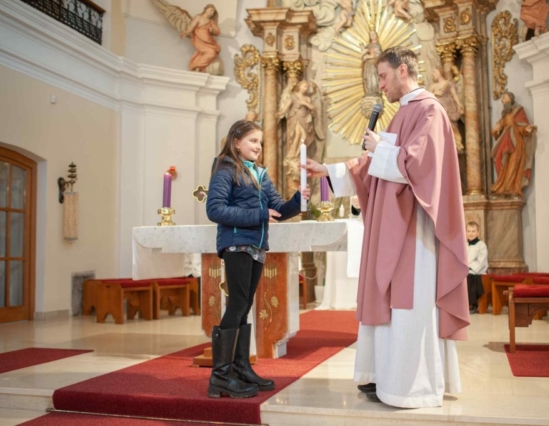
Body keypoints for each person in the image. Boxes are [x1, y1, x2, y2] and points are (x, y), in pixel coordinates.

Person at [303, 46, 469, 408]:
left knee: (410, 306)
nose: (379, 85)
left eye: (383, 76)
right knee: (389, 303)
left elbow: (420, 167)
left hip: (416, 230)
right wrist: (329, 171)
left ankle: (412, 386)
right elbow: (372, 164)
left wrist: (380, 150)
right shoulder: (403, 113)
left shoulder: (430, 111)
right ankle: (384, 376)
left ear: (403, 70)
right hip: (394, 227)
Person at [206, 120, 310, 398]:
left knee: (244, 304)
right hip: (236, 244)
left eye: (260, 142)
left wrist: (298, 200)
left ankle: (240, 368)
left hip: (256, 246)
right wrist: (259, 215)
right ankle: (220, 377)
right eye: (253, 141)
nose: (258, 146)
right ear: (236, 142)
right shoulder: (225, 170)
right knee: (238, 304)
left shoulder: (259, 173)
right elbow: (215, 210)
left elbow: (277, 209)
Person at [490, 92, 536, 196]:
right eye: (502, 99)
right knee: (499, 160)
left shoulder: (518, 111)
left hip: (516, 142)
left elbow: (521, 126)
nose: (502, 100)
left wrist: (526, 128)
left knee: (513, 164)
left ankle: (511, 188)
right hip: (504, 141)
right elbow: (498, 127)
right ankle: (502, 187)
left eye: (504, 98)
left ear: (510, 99)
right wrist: (495, 130)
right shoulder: (505, 116)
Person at [430, 66, 465, 153]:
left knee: (451, 126)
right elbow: (428, 97)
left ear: (440, 72)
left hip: (448, 108)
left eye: (435, 72)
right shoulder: (433, 86)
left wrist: (458, 104)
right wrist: (435, 93)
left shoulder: (447, 83)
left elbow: (454, 94)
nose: (434, 74)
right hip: (438, 110)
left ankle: (456, 144)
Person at [180, 4, 221, 73]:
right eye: (211, 10)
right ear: (206, 9)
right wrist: (187, 32)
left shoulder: (211, 22)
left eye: (213, 12)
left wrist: (212, 30)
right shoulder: (199, 17)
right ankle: (196, 66)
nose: (212, 13)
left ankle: (198, 67)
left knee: (211, 53)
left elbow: (218, 32)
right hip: (199, 39)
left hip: (208, 41)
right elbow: (192, 26)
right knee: (211, 52)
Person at [466, 221, 488, 313]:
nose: (471, 233)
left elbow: (481, 261)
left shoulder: (481, 245)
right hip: (465, 269)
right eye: (468, 231)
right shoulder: (464, 245)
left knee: (469, 277)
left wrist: (469, 267)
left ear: (478, 233)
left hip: (478, 270)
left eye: (473, 231)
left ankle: (472, 304)